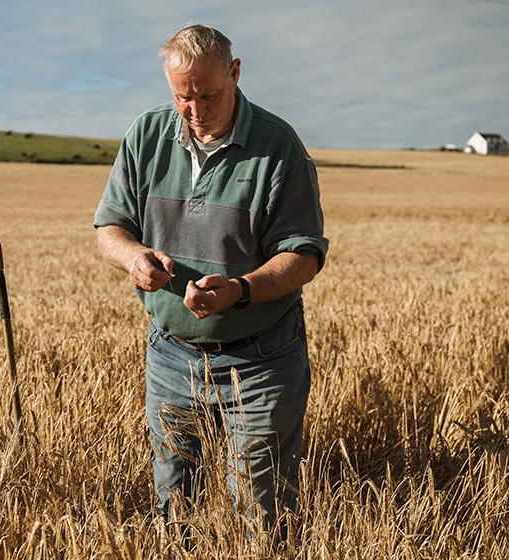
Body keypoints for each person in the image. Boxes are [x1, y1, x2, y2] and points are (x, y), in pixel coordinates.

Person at [93, 24, 329, 527]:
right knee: (174, 507)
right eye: (183, 96)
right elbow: (110, 227)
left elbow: (304, 255)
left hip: (263, 357)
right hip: (171, 352)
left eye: (209, 94)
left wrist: (240, 291)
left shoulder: (279, 146)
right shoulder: (146, 135)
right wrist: (133, 257)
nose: (196, 110)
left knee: (259, 514)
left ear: (236, 73)